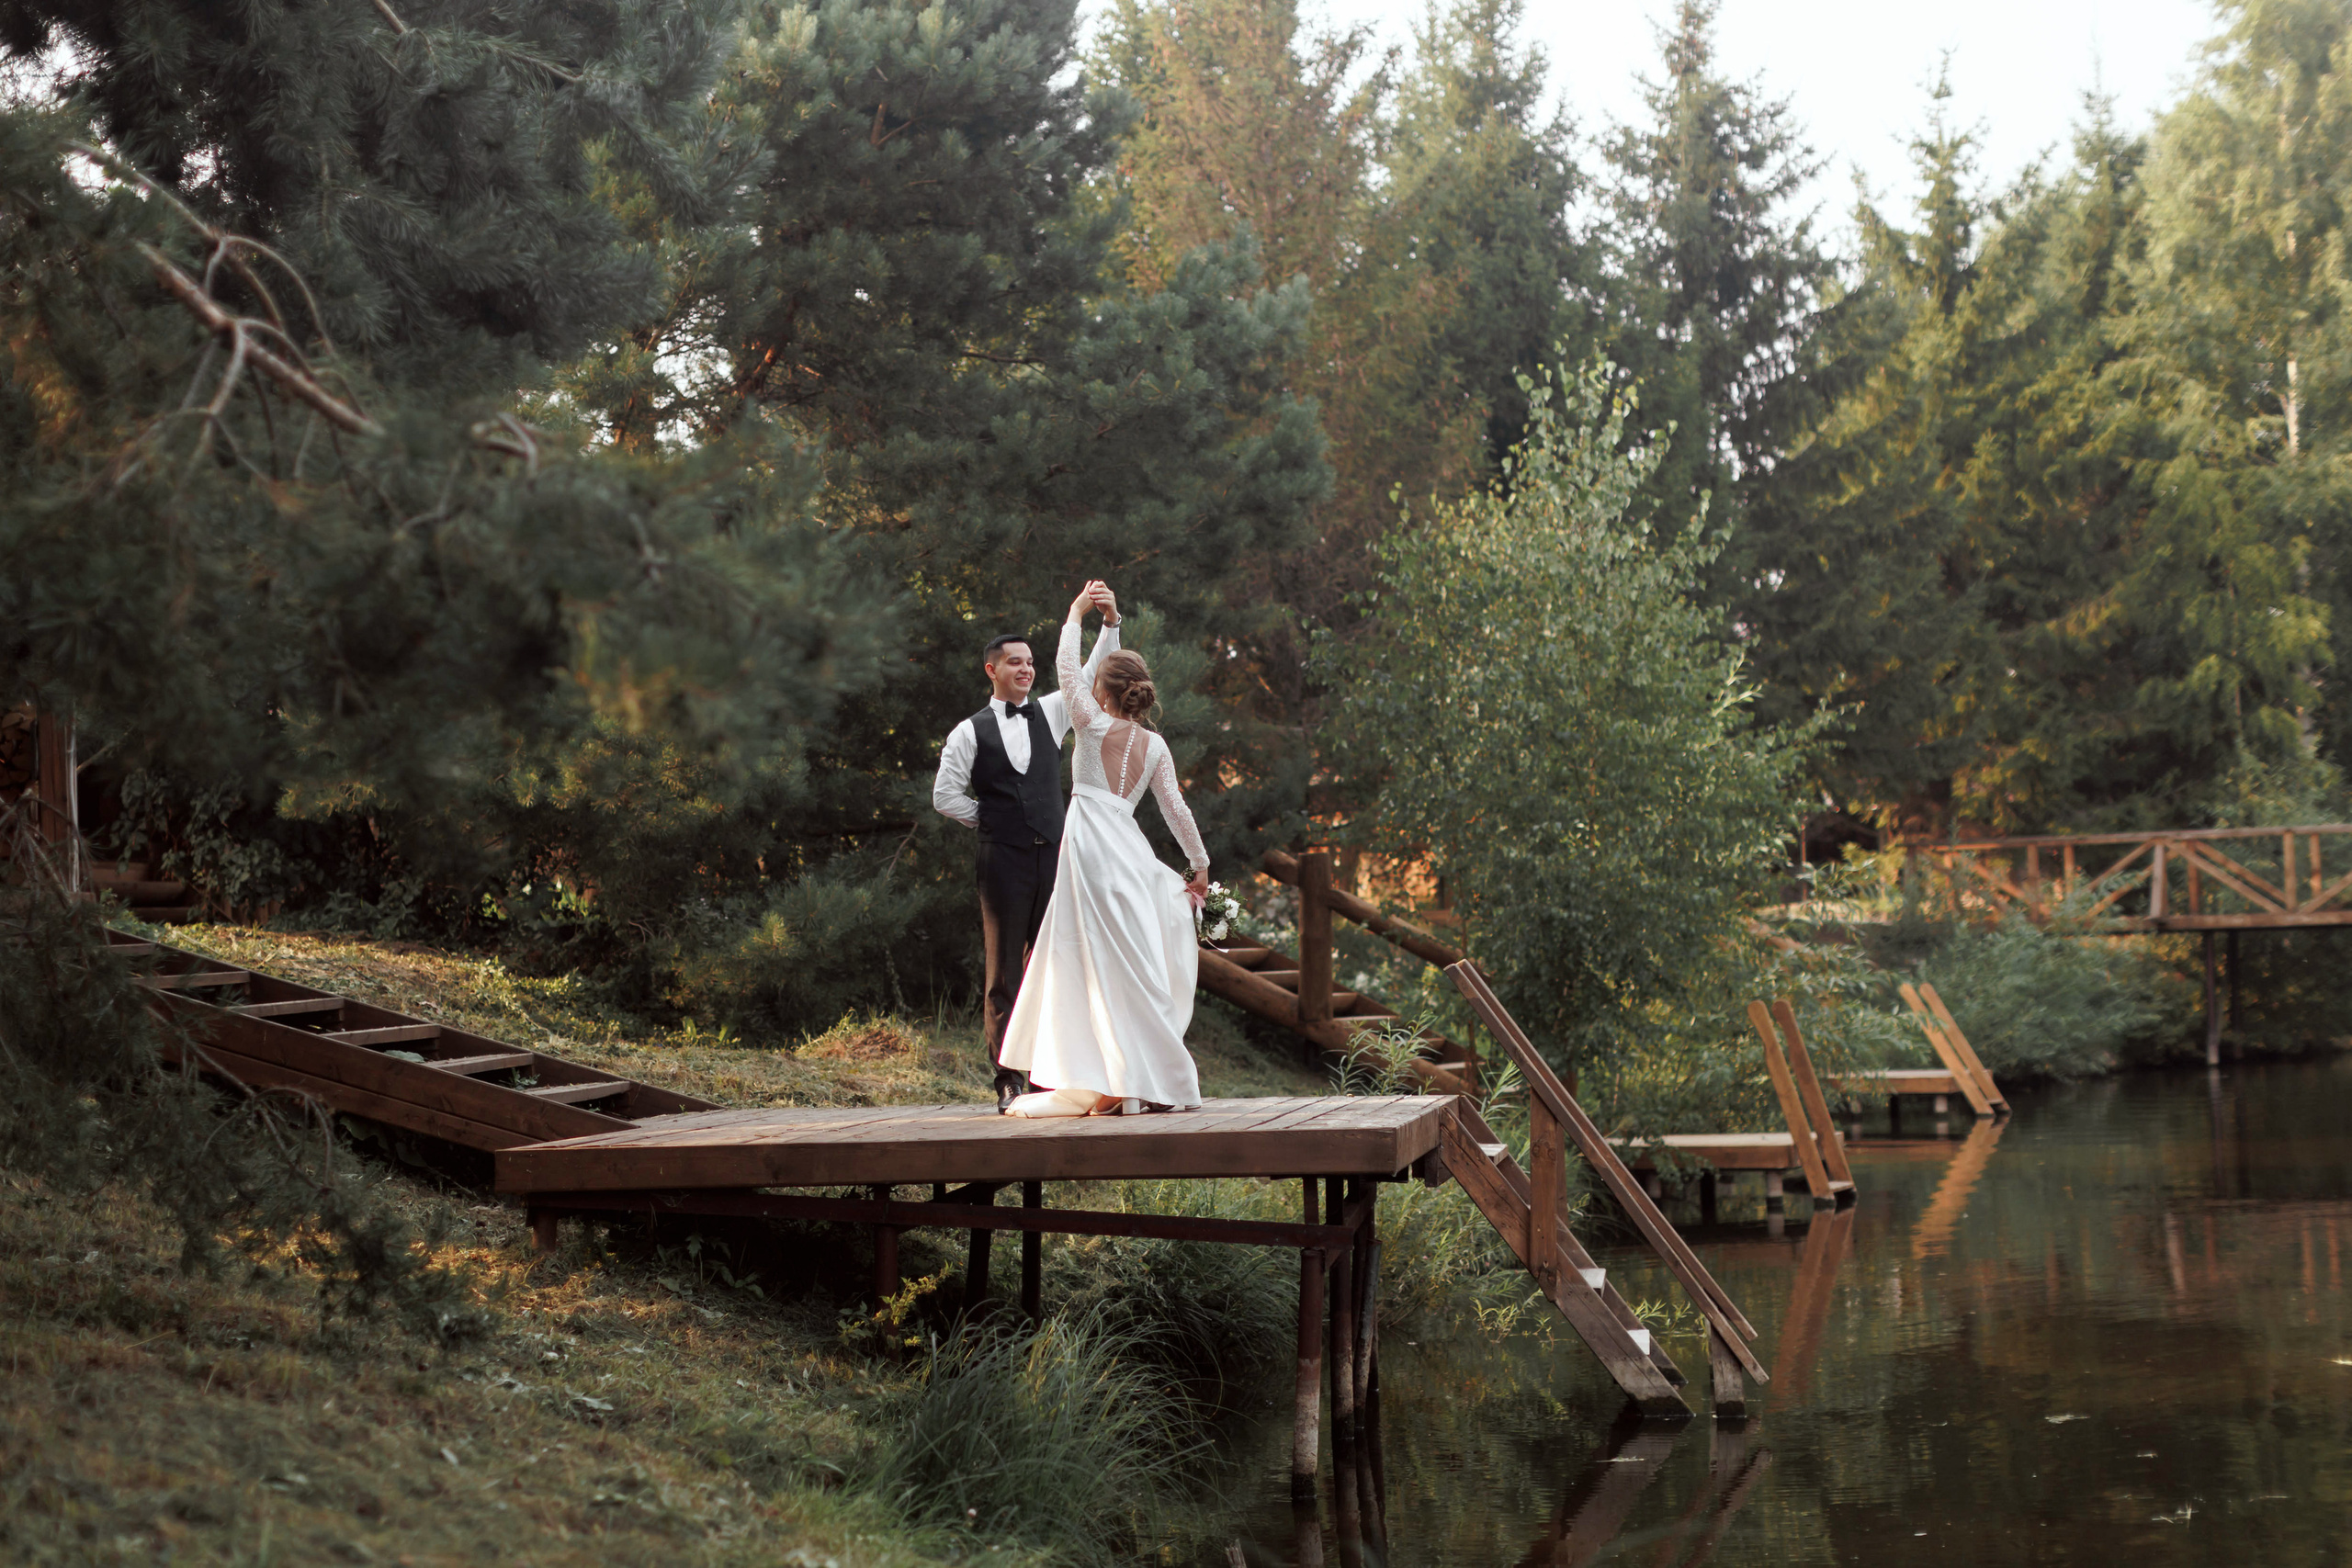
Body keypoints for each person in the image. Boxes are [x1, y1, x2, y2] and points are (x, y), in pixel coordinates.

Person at [1001, 586, 1210, 1116]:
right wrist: (1201, 866)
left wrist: (1075, 614)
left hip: (1092, 850)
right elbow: (1176, 810)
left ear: (1103, 691)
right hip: (1130, 851)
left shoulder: (1092, 724)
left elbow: (1064, 666)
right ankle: (1129, 1078)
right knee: (1125, 965)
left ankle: (1120, 1079)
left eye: (1097, 682)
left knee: (1096, 963)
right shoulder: (1155, 746)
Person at [932, 584, 1123, 1111]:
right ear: (991, 670)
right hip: (1002, 862)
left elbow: (1088, 675)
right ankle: (1007, 1078)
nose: (1026, 669)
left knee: (1057, 963)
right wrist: (991, 822)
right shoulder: (968, 732)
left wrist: (1108, 624)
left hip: (1055, 857)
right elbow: (945, 796)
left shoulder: (1053, 712)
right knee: (1004, 974)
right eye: (1014, 662)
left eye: (1030, 662)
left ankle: (1052, 1075)